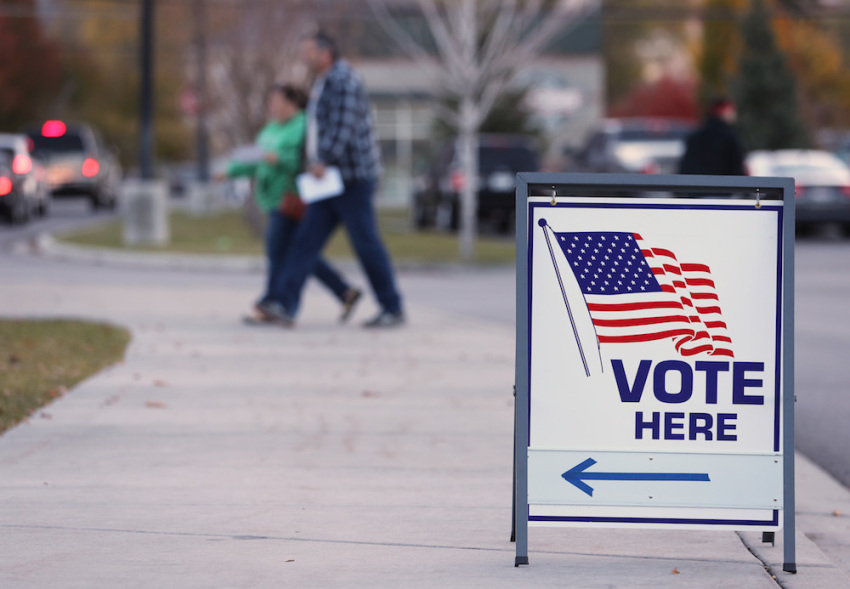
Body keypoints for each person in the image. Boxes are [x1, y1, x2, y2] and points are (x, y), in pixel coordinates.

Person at [258, 32, 405, 328]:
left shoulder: (344, 80)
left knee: (366, 244)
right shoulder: (323, 82)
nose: (304, 57)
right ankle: (284, 306)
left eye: (308, 51)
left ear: (325, 52)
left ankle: (392, 307)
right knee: (304, 243)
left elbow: (344, 126)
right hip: (327, 183)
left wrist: (323, 159)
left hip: (352, 180)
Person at [216, 83, 361, 324]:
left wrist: (279, 158)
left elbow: (305, 160)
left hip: (294, 198)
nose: (271, 106)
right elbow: (256, 158)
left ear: (292, 103)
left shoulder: (304, 126)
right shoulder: (271, 128)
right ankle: (344, 292)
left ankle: (275, 303)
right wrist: (231, 171)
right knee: (300, 253)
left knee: (280, 251)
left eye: (276, 101)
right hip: (272, 197)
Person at [679, 98, 746, 176]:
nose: (734, 114)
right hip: (722, 186)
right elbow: (736, 170)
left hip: (696, 185)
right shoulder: (730, 138)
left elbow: (685, 168)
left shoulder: (695, 137)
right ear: (723, 112)